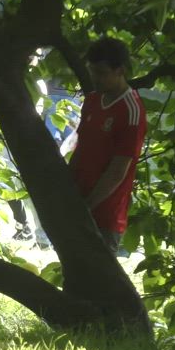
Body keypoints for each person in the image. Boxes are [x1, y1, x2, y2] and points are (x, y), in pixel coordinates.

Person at [69, 37, 147, 253]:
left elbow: (117, 171)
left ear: (120, 70)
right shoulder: (93, 100)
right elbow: (80, 148)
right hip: (76, 202)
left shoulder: (131, 110)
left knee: (95, 281)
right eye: (92, 71)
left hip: (104, 216)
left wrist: (86, 207)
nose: (95, 78)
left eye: (101, 73)